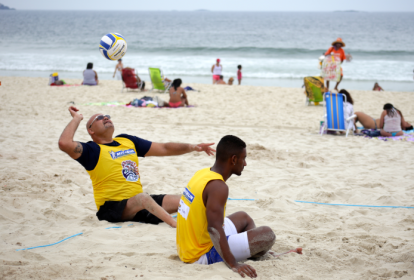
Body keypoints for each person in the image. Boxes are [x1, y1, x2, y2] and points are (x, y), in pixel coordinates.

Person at [58, 107, 215, 227]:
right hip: (111, 209)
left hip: (140, 207)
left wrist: (193, 147)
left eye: (107, 116)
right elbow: (64, 143)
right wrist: (77, 119)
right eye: (99, 118)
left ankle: (214, 225)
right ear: (90, 130)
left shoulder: (126, 141)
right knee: (143, 197)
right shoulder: (91, 150)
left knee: (187, 200)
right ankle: (177, 226)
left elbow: (165, 148)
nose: (105, 117)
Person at [176, 135, 276, 278]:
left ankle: (255, 251)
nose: (245, 163)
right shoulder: (218, 186)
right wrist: (234, 264)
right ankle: (254, 252)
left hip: (187, 247)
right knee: (267, 234)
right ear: (234, 159)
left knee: (244, 217)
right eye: (244, 158)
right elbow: (214, 229)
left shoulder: (203, 173)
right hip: (200, 254)